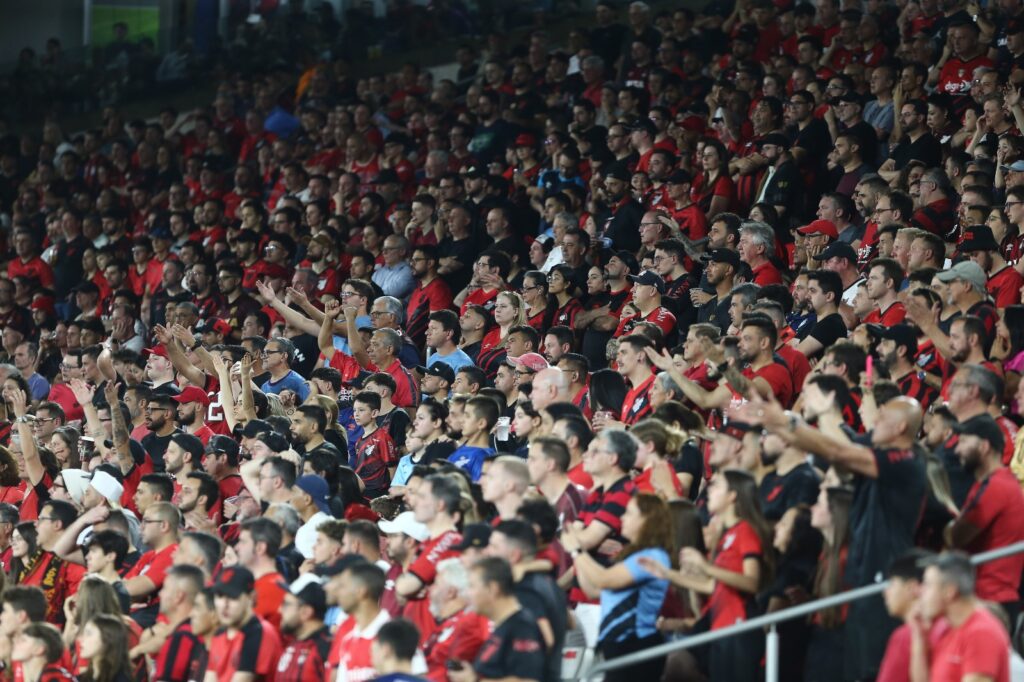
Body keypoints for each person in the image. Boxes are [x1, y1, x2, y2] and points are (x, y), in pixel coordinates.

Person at [563, 494, 672, 682]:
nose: (622, 518)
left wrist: (577, 550)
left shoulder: (651, 557)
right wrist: (578, 554)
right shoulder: (633, 556)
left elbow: (603, 579)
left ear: (647, 520)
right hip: (617, 645)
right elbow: (594, 591)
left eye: (629, 513)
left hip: (636, 646)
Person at [911, 551, 1011, 682]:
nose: (919, 591)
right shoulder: (947, 630)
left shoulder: (981, 632)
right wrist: (919, 637)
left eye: (927, 585)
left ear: (950, 591)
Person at [446, 557, 545, 682]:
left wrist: (474, 681)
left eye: (472, 586)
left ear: (492, 588)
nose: (467, 593)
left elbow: (529, 680)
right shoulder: (503, 626)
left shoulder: (521, 627)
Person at [204, 566, 283, 682]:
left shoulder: (259, 633)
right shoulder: (219, 634)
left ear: (252, 597)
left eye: (232, 597)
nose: (224, 605)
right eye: (220, 596)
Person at [275, 580, 332, 682]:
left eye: (286, 605)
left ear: (306, 612)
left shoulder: (327, 648)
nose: (279, 610)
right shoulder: (294, 643)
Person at [76, 613, 134, 682]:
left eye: (89, 634)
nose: (80, 639)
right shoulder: (81, 678)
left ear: (107, 639)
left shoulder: (121, 679)